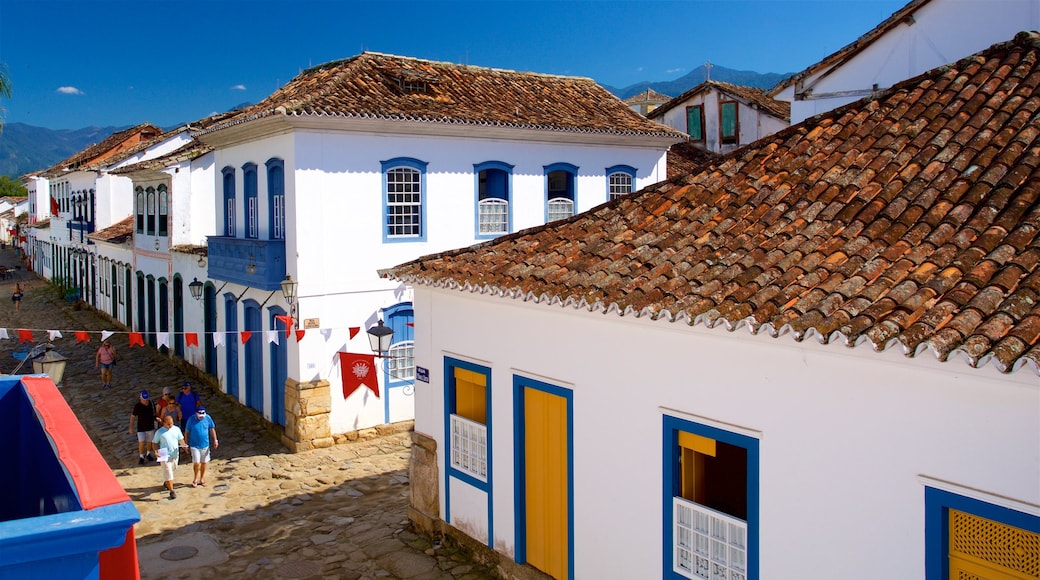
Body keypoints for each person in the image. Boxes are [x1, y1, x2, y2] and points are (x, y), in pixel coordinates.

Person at [152, 414, 187, 500]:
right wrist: (156, 452)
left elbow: (180, 439)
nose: (170, 425)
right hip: (164, 454)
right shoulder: (159, 432)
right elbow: (154, 443)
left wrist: (184, 446)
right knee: (168, 472)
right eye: (168, 424)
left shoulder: (176, 429)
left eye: (171, 423)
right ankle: (172, 491)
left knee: (173, 469)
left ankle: (167, 482)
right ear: (164, 423)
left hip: (175, 454)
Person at [184, 406, 218, 488]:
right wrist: (185, 443)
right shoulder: (191, 419)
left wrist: (215, 440)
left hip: (205, 445)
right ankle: (195, 479)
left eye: (203, 414)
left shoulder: (208, 418)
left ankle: (202, 479)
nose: (201, 416)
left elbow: (212, 429)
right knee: (196, 463)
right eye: (200, 414)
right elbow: (186, 432)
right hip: (194, 445)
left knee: (204, 462)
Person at [129, 390, 158, 464]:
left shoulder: (151, 404)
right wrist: (131, 427)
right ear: (140, 399)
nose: (145, 401)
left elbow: (154, 413)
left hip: (150, 426)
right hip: (141, 428)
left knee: (149, 442)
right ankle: (141, 456)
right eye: (143, 400)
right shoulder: (137, 406)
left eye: (146, 400)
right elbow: (133, 417)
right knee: (141, 442)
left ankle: (148, 453)